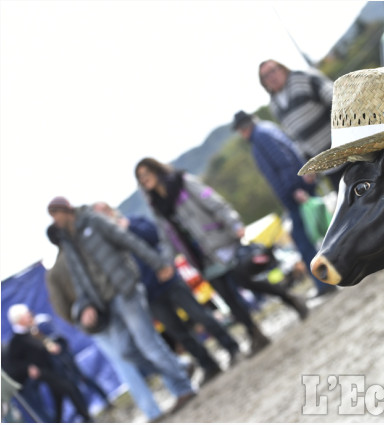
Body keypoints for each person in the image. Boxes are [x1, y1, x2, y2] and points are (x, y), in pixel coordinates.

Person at [134, 158, 307, 354]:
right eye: (140, 177)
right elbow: (166, 238)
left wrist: (234, 224)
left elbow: (215, 202)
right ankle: (255, 333)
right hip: (198, 256)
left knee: (246, 280)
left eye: (146, 173)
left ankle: (289, 298)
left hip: (220, 242)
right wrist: (167, 263)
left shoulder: (183, 182)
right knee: (228, 298)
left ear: (156, 170)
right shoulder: (156, 207)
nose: (145, 178)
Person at [46, 196, 196, 415]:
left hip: (125, 290)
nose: (54, 220)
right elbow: (80, 279)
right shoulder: (69, 243)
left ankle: (183, 388)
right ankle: (179, 366)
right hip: (104, 303)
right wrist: (86, 305)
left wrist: (158, 263)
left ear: (65, 210)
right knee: (126, 351)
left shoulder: (93, 221)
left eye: (55, 215)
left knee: (148, 344)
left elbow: (127, 240)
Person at [92, 201, 243, 383]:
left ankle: (231, 347)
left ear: (111, 211)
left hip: (167, 279)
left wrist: (130, 228)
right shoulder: (107, 244)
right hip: (148, 292)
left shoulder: (134, 222)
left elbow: (158, 237)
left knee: (199, 315)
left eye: (104, 211)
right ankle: (208, 364)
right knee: (177, 331)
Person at [45, 223, 168, 422]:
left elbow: (60, 307)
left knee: (123, 364)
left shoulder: (54, 272)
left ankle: (151, 410)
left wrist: (81, 320)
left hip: (96, 324)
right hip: (114, 305)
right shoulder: (82, 252)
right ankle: (175, 381)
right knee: (147, 341)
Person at [233, 110, 337, 297]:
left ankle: (324, 282)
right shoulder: (266, 129)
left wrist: (294, 189)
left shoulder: (260, 137)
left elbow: (283, 163)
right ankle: (330, 276)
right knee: (316, 231)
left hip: (295, 192)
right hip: (298, 188)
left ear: (243, 129)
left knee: (302, 239)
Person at [258, 59, 344, 189]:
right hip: (327, 165)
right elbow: (295, 137)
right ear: (264, 83)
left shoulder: (303, 78)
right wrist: (308, 165)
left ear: (282, 68)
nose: (271, 77)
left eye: (272, 71)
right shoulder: (274, 105)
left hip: (347, 152)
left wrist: (343, 137)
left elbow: (338, 100)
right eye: (265, 76)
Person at [6, 304, 93, 423]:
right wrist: (28, 368)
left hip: (52, 367)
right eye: (27, 315)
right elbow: (14, 364)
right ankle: (86, 417)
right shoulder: (16, 341)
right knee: (69, 388)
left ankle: (59, 421)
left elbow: (45, 344)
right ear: (19, 319)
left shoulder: (33, 331)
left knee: (58, 397)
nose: (31, 316)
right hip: (43, 372)